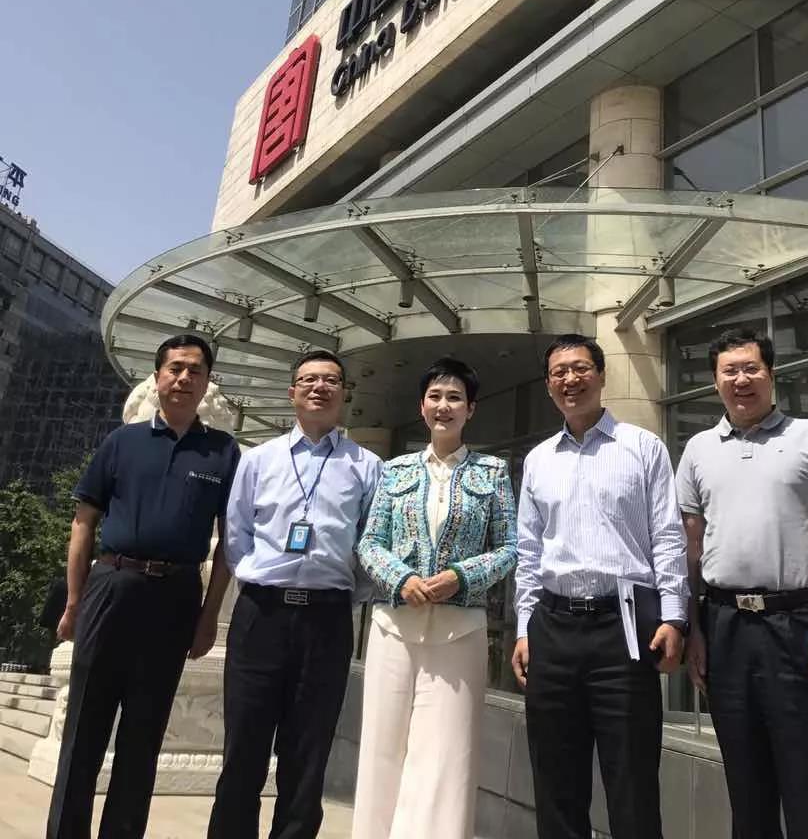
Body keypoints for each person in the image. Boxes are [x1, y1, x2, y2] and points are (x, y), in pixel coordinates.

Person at [47, 333, 240, 839]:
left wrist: (209, 616)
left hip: (176, 598)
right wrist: (74, 602)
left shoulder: (223, 453)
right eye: (175, 368)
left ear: (207, 382)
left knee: (144, 734)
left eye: (195, 370)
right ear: (157, 378)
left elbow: (230, 542)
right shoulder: (121, 442)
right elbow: (83, 524)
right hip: (112, 586)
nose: (184, 377)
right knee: (84, 730)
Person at [676, 328, 808, 839]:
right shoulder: (697, 450)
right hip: (725, 628)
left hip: (801, 627)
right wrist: (693, 628)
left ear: (771, 374)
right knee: (747, 786)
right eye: (729, 371)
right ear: (715, 382)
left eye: (751, 368)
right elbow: (689, 547)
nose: (741, 379)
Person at [511, 334, 688, 839]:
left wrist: (674, 616)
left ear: (602, 375)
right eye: (559, 372)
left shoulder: (643, 448)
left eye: (580, 368)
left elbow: (668, 537)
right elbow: (529, 552)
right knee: (556, 781)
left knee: (632, 779)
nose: (570, 379)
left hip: (624, 629)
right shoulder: (539, 459)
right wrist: (523, 628)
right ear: (549, 385)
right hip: (553, 628)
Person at [207, 349, 382, 839]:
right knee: (243, 746)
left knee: (308, 753)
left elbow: (371, 543)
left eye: (331, 380)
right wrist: (261, 578)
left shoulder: (368, 466)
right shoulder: (258, 460)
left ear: (344, 393)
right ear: (292, 393)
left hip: (327, 621)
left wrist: (341, 594)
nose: (319, 387)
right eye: (308, 379)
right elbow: (236, 535)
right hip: (260, 615)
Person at [351, 357, 517, 839]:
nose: (444, 406)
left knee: (446, 757)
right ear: (422, 407)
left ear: (471, 409)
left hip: (459, 632)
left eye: (455, 398)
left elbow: (510, 546)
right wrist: (401, 578)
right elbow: (370, 542)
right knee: (382, 749)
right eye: (435, 397)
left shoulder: (492, 472)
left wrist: (461, 577)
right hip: (393, 628)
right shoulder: (395, 470)